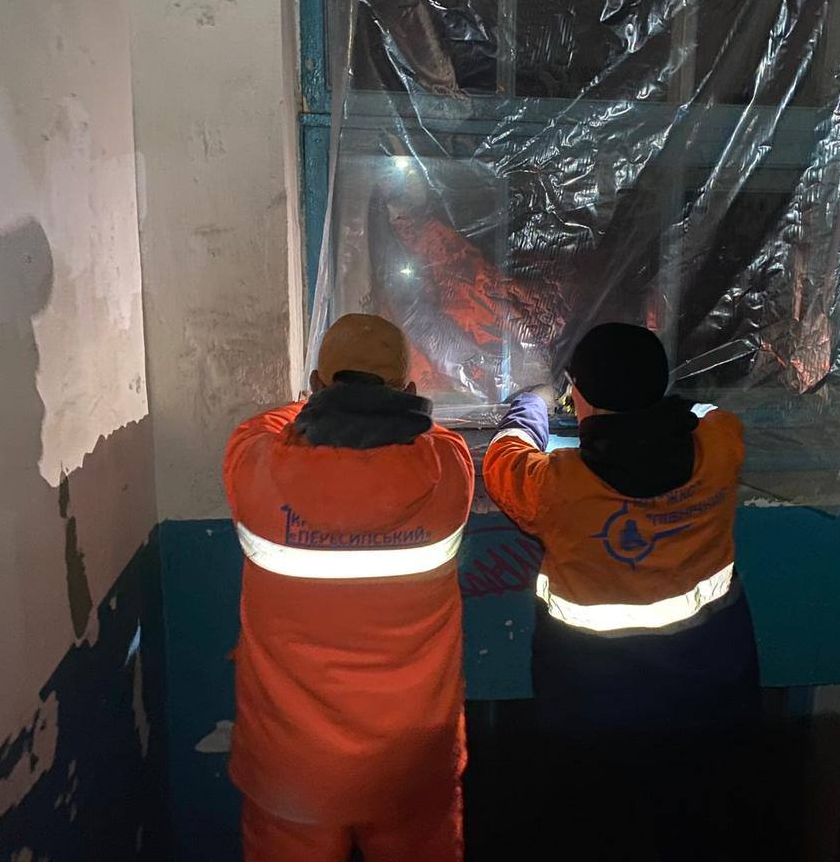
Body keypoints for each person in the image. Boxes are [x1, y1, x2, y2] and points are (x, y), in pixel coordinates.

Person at [482, 322, 762, 862]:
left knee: (604, 826)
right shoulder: (719, 445)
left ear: (579, 395)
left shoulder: (558, 484)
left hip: (596, 700)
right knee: (695, 822)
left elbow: (504, 460)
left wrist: (533, 405)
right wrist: (663, 408)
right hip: (710, 685)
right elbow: (706, 413)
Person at [222, 314, 474, 862]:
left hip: (292, 770)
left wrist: (321, 405)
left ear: (316, 386)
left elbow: (263, 425)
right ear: (408, 388)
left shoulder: (255, 467)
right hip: (413, 767)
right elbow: (434, 431)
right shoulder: (451, 469)